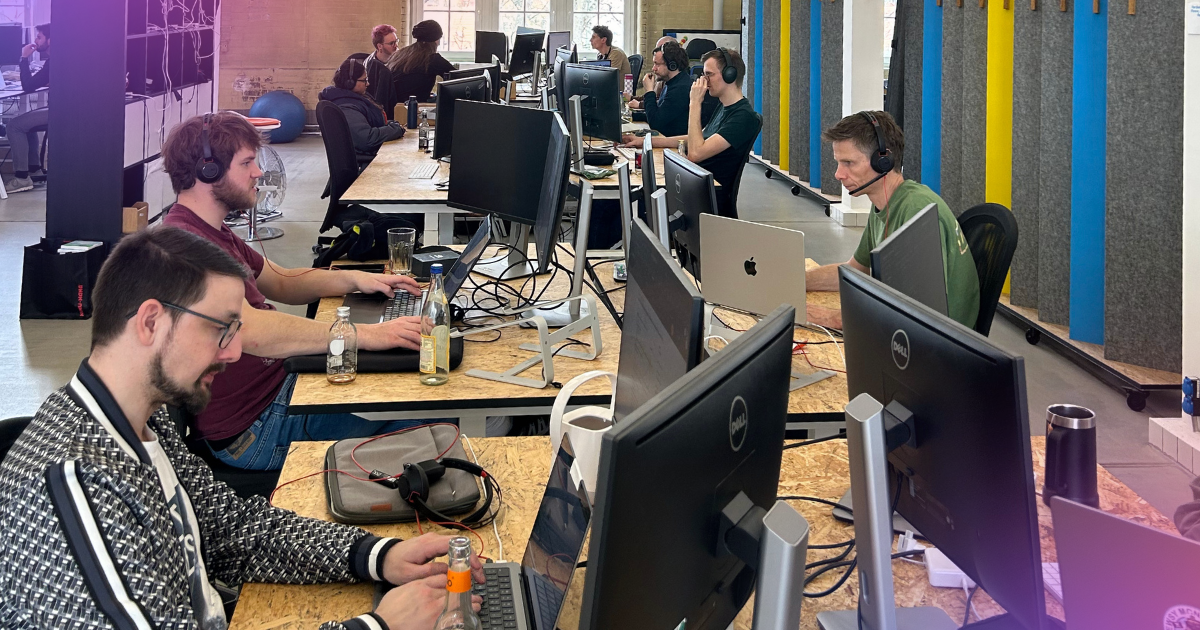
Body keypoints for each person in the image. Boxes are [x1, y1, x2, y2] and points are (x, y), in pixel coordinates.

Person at [0, 227, 484, 629]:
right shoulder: (76, 485)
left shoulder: (142, 422)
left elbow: (233, 531)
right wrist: (376, 626)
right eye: (221, 328)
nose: (234, 352)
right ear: (150, 322)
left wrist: (378, 556)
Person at [161, 112, 430, 471]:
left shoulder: (211, 231)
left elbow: (283, 281)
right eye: (246, 163)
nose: (258, 172)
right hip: (257, 427)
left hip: (278, 389)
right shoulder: (184, 248)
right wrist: (367, 335)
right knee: (432, 417)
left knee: (408, 386)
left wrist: (357, 279)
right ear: (208, 171)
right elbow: (250, 331)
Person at [803, 111, 980, 330]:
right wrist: (799, 281)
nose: (838, 174)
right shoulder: (884, 203)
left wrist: (832, 318)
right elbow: (855, 270)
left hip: (936, 340)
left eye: (848, 163)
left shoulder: (915, 208)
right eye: (839, 163)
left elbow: (918, 310)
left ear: (883, 161)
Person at [627, 48, 761, 219]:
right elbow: (695, 139)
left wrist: (695, 102)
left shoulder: (743, 117)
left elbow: (696, 153)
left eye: (709, 74)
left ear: (730, 75)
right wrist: (646, 141)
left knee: (638, 199)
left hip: (705, 197)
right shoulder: (724, 107)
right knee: (639, 190)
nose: (704, 80)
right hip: (692, 185)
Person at [319, 58, 405, 159]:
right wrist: (395, 130)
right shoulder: (347, 107)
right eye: (364, 80)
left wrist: (392, 125)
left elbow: (371, 124)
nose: (368, 84)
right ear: (350, 82)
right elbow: (367, 139)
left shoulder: (354, 99)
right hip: (367, 160)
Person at [3, 22, 49, 194]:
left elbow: (28, 86)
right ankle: (34, 171)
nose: (36, 41)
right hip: (67, 110)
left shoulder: (53, 62)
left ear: (50, 40)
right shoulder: (60, 59)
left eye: (39, 37)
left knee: (14, 126)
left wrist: (24, 58)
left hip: (61, 112)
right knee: (25, 123)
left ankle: (22, 178)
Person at [627, 41, 692, 137]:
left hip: (672, 141)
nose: (653, 69)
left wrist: (649, 91)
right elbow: (659, 114)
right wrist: (630, 115)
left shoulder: (680, 89)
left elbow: (655, 122)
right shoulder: (672, 82)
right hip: (664, 137)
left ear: (672, 65)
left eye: (657, 64)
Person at [388, 20, 455, 102]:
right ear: (436, 40)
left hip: (393, 105)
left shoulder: (401, 54)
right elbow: (459, 80)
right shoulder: (432, 59)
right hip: (413, 106)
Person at [365, 24, 400, 120]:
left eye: (396, 41)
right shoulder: (370, 65)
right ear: (380, 46)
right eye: (392, 43)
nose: (396, 46)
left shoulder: (399, 59)